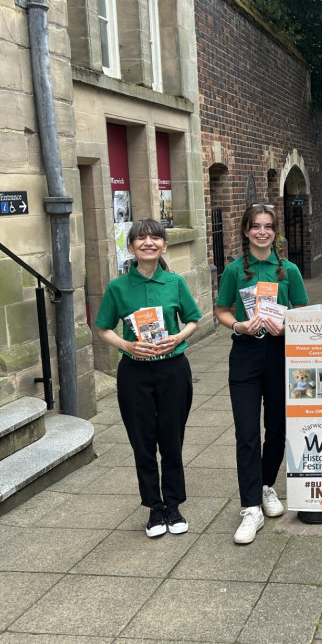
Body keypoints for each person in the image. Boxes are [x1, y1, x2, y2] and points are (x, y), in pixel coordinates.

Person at [94, 219, 202, 538]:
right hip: (134, 373)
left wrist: (178, 337)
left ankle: (173, 504)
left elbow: (194, 319)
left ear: (164, 246)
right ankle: (154, 508)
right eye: (141, 239)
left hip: (172, 369)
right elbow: (101, 327)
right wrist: (125, 344)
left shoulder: (175, 283)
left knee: (171, 439)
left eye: (156, 238)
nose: (149, 243)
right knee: (142, 442)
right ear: (130, 248)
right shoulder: (117, 287)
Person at [215, 204, 309, 545]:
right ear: (245, 231)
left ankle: (266, 485)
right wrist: (239, 324)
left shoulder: (290, 272)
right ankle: (250, 507)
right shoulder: (234, 271)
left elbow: (302, 312)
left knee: (278, 427)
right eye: (256, 226)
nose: (262, 232)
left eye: (268, 226)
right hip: (245, 354)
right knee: (246, 431)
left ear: (275, 232)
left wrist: (285, 326)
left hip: (281, 354)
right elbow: (222, 311)